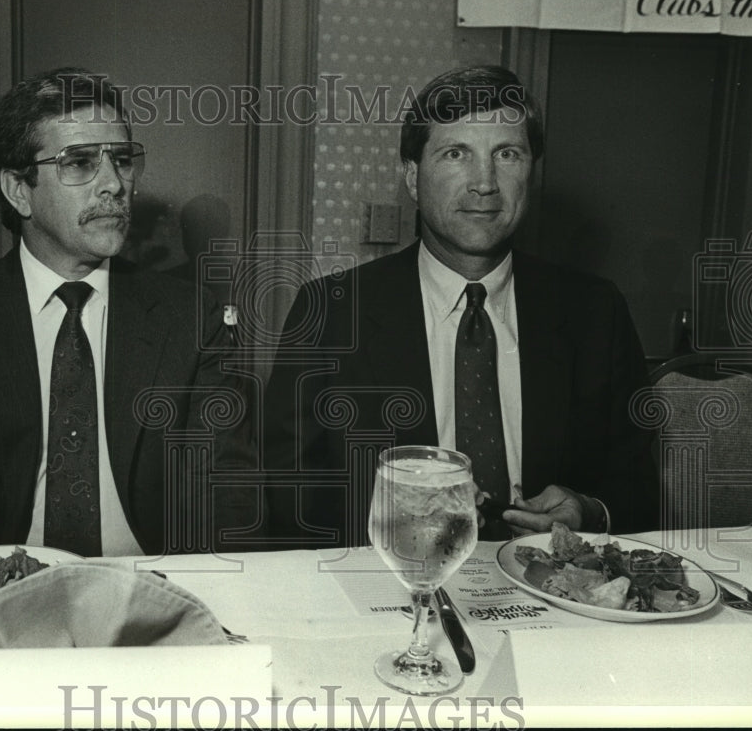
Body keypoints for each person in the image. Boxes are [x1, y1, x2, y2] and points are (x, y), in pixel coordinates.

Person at [263, 65, 659, 547]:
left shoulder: (596, 312)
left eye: (507, 154)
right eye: (456, 154)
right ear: (412, 177)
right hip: (390, 589)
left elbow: (639, 486)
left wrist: (591, 511)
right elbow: (284, 491)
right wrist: (403, 512)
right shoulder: (329, 312)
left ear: (531, 169)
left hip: (553, 595)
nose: (485, 183)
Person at [0, 67, 259, 561]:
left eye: (122, 160)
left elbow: (227, 509)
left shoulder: (192, 319)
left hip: (152, 596)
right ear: (19, 189)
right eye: (79, 163)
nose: (114, 185)